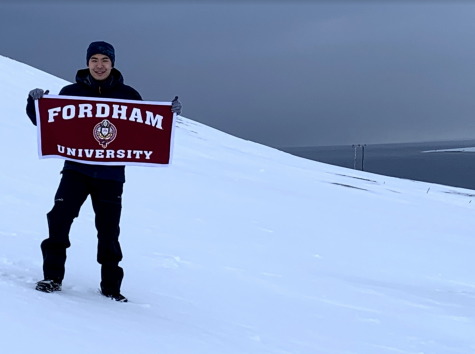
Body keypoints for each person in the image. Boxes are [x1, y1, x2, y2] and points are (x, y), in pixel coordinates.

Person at [26, 41, 182, 302]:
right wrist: (35, 102)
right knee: (59, 220)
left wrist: (172, 116)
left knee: (109, 231)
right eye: (95, 60)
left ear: (113, 63)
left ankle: (111, 287)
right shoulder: (70, 91)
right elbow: (44, 122)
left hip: (111, 176)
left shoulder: (128, 94)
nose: (99, 65)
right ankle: (52, 277)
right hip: (76, 171)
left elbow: (146, 131)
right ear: (87, 62)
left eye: (105, 60)